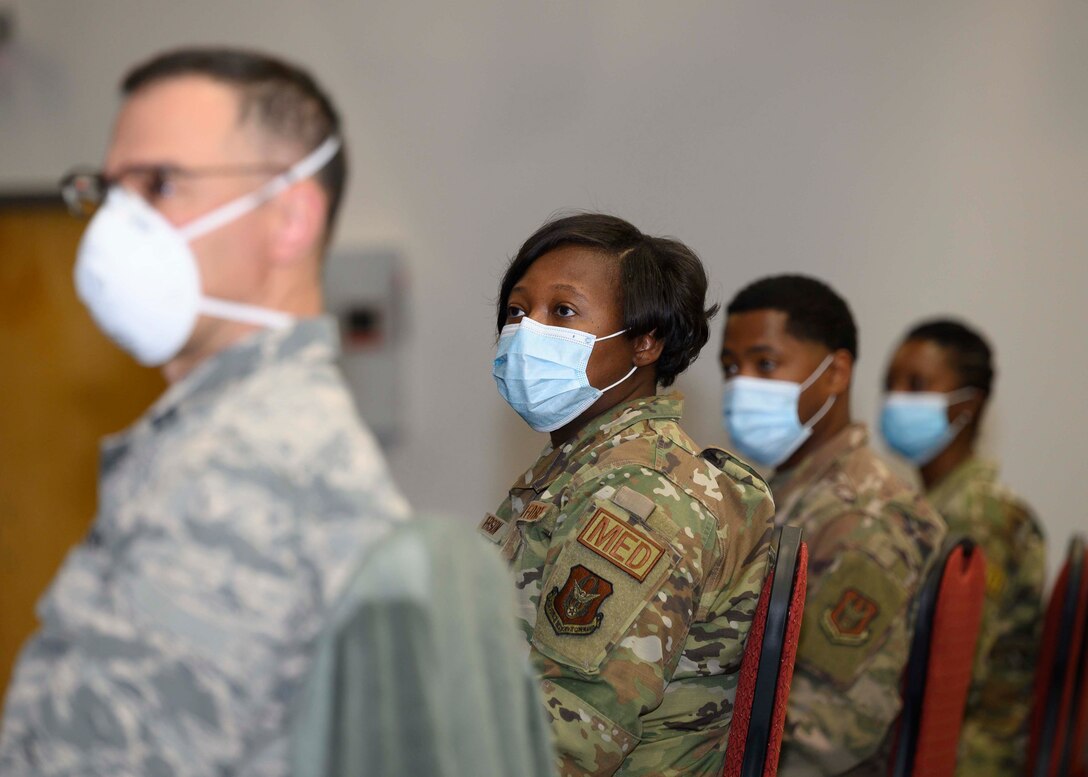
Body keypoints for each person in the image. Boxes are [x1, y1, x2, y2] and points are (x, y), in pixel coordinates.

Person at [0, 48, 412, 776]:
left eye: (159, 184)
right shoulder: (225, 434)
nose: (117, 224)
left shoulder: (247, 463)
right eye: (110, 189)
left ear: (290, 217)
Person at [482, 213, 775, 777]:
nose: (527, 330)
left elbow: (569, 740)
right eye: (518, 311)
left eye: (562, 311)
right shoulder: (580, 469)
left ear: (645, 341)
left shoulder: (640, 495)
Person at [718, 274, 947, 776]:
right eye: (731, 368)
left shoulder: (871, 516)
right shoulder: (779, 492)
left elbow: (829, 728)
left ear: (836, 372)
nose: (741, 385)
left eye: (766, 363)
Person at [881, 318, 1045, 777]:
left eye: (915, 385)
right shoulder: (936, 510)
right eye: (890, 383)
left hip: (965, 757)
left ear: (966, 407)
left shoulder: (978, 522)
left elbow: (952, 672)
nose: (894, 397)